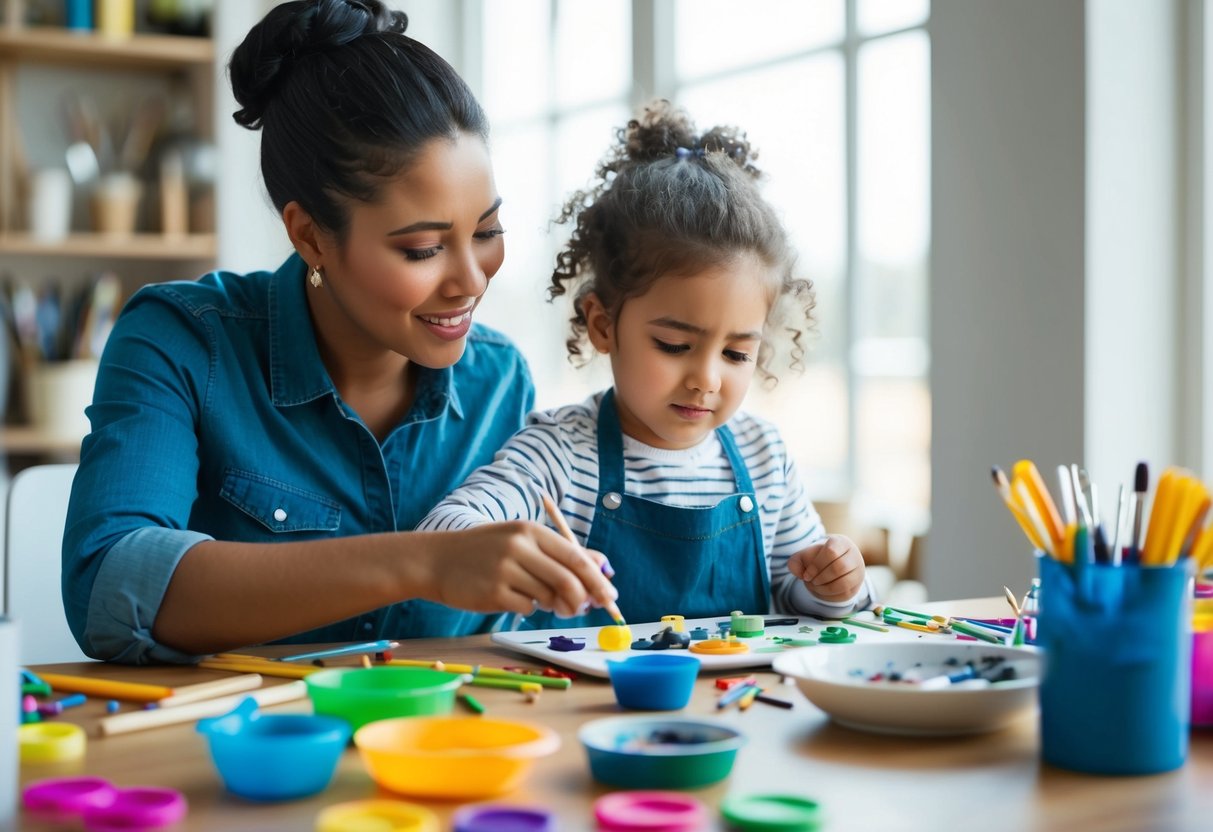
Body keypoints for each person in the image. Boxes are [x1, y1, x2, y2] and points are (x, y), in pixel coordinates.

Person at [61, 0, 617, 664]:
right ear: (310, 236)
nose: (471, 280)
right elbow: (109, 585)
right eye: (422, 249)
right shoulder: (180, 341)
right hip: (239, 753)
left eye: (487, 232)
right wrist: (425, 561)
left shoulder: (498, 382)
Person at [419, 101, 875, 628]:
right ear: (603, 324)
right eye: (674, 346)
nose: (706, 379)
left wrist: (834, 586)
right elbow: (441, 534)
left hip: (736, 707)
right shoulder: (562, 454)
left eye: (735, 354)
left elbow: (799, 603)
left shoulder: (764, 459)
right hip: (587, 708)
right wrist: (518, 557)